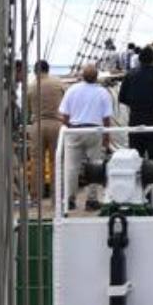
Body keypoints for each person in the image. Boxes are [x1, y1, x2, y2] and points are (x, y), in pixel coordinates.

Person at [57, 62, 115, 208]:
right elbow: (106, 118)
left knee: (71, 167)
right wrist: (106, 138)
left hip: (74, 130)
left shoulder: (72, 90)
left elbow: (64, 115)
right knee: (94, 166)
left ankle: (70, 199)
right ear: (96, 77)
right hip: (94, 131)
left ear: (82, 76)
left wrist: (69, 128)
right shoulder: (102, 92)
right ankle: (92, 199)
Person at [117, 45, 153, 159]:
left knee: (135, 159)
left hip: (135, 121)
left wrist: (135, 104)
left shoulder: (130, 75)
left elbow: (122, 98)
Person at [27, 59, 67, 196]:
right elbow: (66, 101)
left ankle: (36, 195)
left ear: (35, 71)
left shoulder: (31, 86)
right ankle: (57, 195)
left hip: (38, 125)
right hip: (56, 124)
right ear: (48, 69)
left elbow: (26, 108)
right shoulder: (58, 83)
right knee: (56, 160)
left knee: (37, 161)